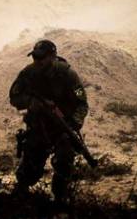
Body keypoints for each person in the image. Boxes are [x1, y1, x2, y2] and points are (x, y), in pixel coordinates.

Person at [9, 39, 89, 203]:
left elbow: (82, 104)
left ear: (53, 56)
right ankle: (21, 197)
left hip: (62, 127)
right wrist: (31, 102)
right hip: (39, 126)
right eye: (35, 57)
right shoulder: (28, 74)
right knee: (29, 169)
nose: (37, 61)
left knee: (64, 160)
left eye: (41, 57)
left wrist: (74, 123)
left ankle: (60, 198)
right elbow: (14, 97)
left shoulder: (67, 74)